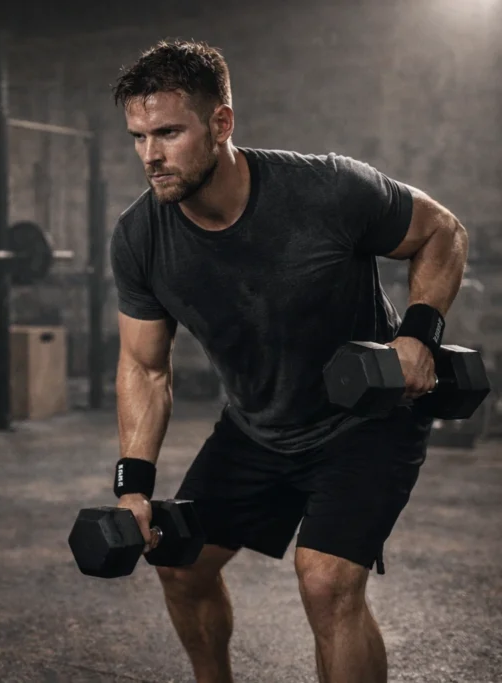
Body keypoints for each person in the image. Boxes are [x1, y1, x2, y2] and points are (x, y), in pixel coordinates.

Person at [107, 39, 469, 683]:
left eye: (167, 132)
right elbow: (145, 369)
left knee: (326, 583)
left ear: (222, 123)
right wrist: (133, 486)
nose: (151, 156)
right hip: (257, 427)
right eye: (138, 137)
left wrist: (417, 336)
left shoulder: (326, 189)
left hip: (365, 421)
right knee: (180, 566)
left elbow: (443, 230)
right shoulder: (140, 237)